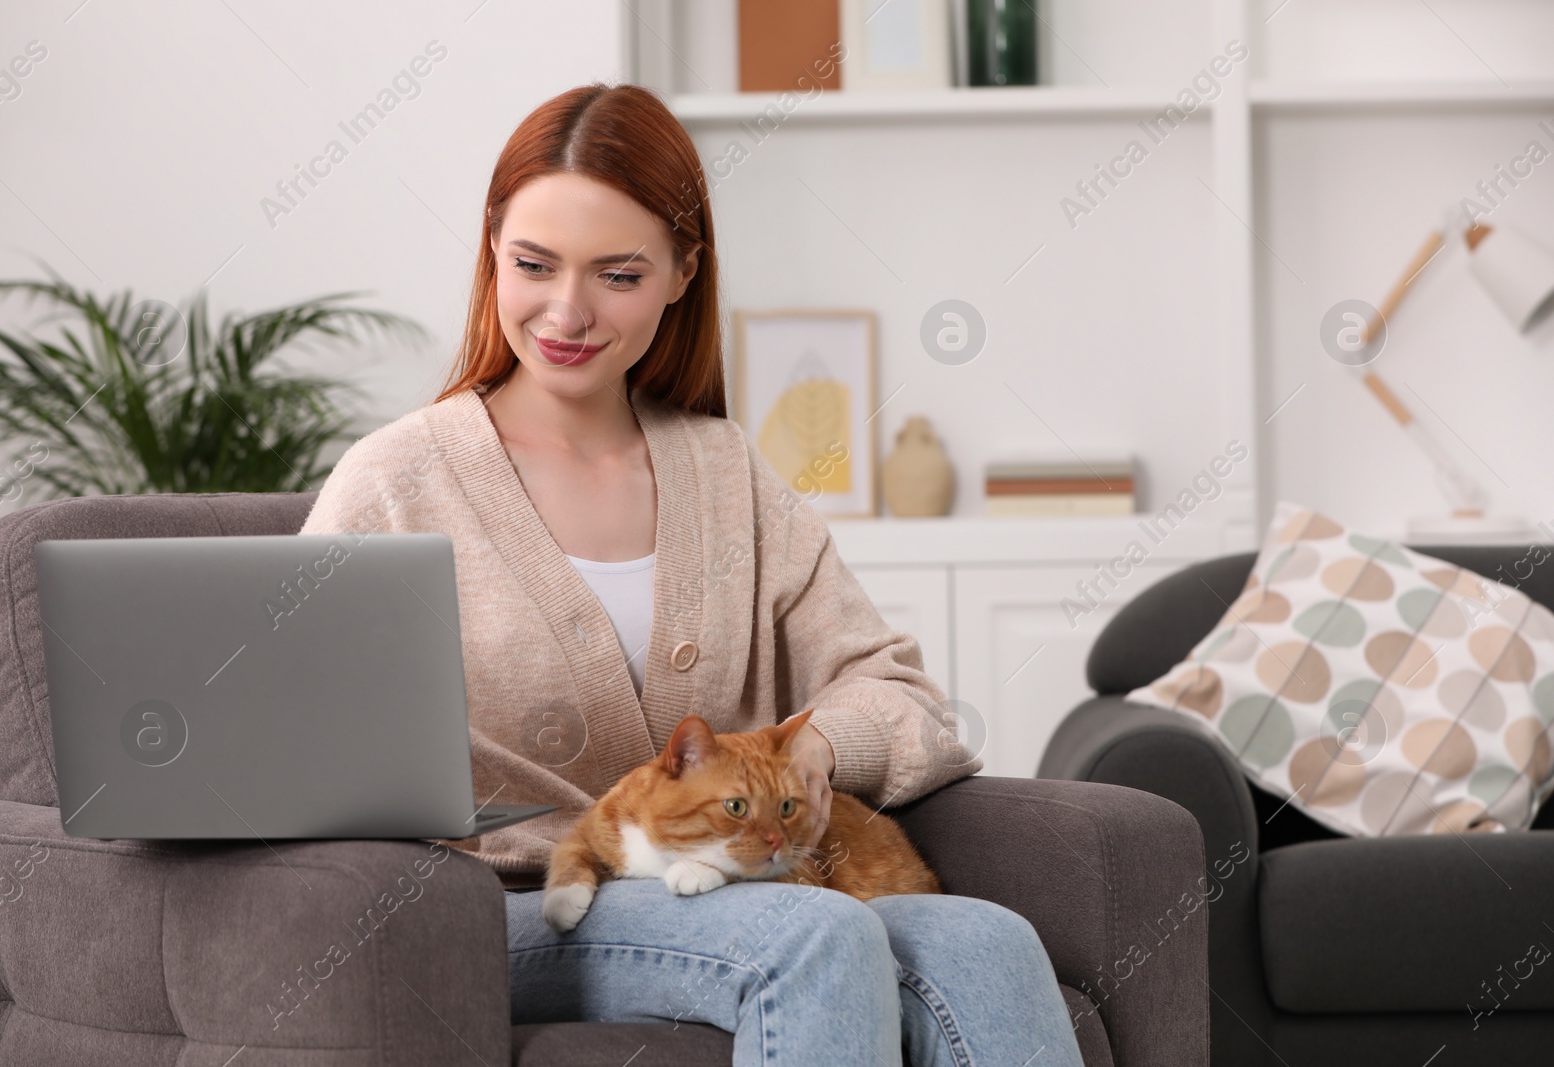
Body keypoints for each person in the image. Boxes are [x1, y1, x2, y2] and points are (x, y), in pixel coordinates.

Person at [299, 80, 1084, 1067]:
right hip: (503, 908)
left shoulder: (725, 471)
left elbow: (900, 699)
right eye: (532, 264)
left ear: (681, 273)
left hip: (730, 885)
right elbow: (289, 738)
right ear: (491, 249)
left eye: (618, 275)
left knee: (989, 939)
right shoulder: (395, 481)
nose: (566, 310)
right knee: (816, 934)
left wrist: (800, 761)